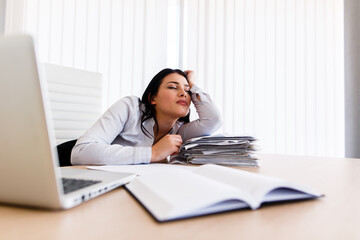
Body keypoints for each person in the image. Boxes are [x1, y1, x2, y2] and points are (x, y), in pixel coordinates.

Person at [71, 68, 222, 165]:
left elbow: (213, 120)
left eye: (187, 90)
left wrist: (193, 85)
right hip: (64, 166)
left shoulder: (179, 131)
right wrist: (153, 153)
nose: (183, 93)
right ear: (152, 98)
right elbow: (81, 153)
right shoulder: (130, 108)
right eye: (172, 87)